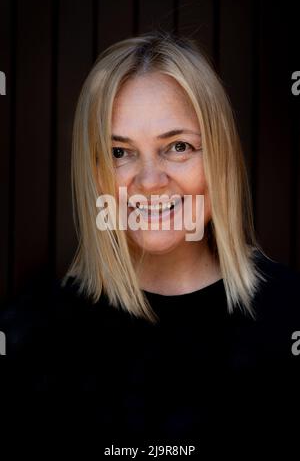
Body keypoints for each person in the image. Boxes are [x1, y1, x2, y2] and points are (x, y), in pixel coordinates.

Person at [0, 30, 299, 454]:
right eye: (120, 152)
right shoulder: (32, 335)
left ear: (221, 156)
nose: (150, 181)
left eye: (178, 147)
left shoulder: (289, 313)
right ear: (95, 169)